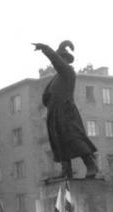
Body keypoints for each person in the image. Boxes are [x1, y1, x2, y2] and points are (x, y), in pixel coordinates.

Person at [33, 41, 98, 179]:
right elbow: (47, 95)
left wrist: (46, 49)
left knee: (74, 138)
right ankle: (66, 170)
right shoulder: (56, 78)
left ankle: (91, 165)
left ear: (65, 60)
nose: (57, 62)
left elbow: (57, 62)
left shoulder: (68, 72)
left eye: (60, 58)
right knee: (58, 141)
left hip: (66, 112)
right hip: (55, 112)